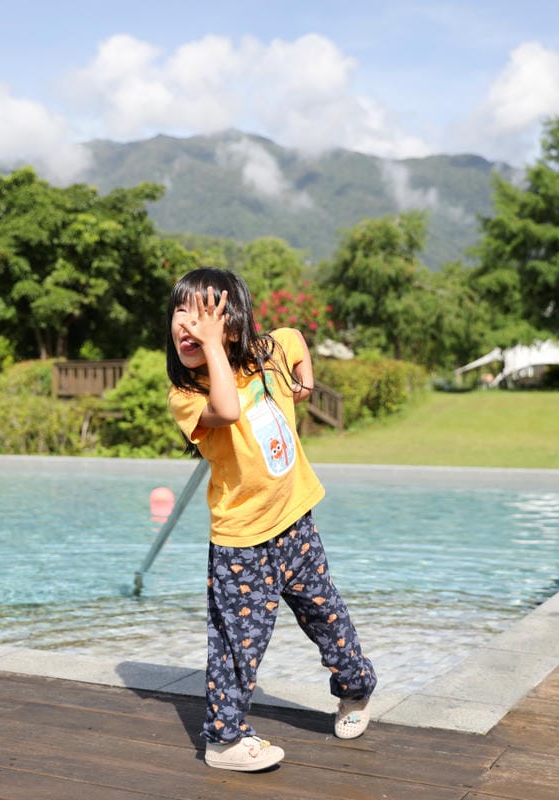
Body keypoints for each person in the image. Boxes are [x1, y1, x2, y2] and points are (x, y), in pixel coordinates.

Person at [166, 268, 377, 773]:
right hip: (241, 545)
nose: (190, 326)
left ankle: (356, 690)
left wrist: (304, 381)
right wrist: (213, 347)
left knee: (329, 618)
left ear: (235, 323)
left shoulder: (265, 353)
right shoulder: (188, 396)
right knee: (238, 647)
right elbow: (228, 408)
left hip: (296, 523)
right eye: (181, 312)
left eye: (206, 315)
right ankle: (225, 740)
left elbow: (295, 339)